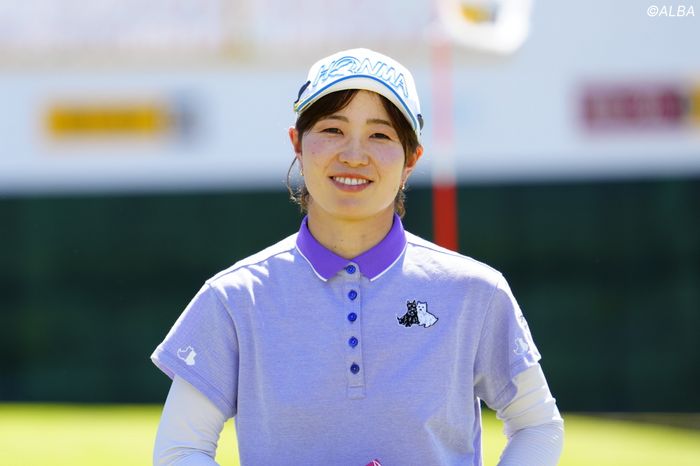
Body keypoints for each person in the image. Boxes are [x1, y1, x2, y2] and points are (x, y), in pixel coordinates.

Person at [151, 48, 564, 465]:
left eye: (380, 135)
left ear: (411, 159)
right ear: (297, 144)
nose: (353, 155)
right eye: (332, 129)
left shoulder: (476, 291)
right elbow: (181, 449)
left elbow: (537, 425)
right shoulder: (234, 298)